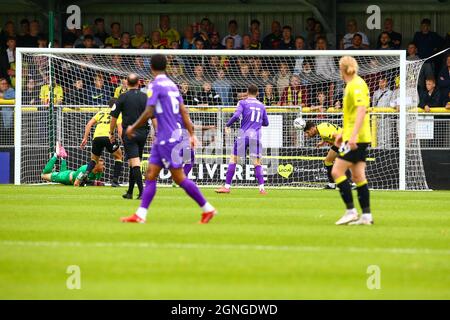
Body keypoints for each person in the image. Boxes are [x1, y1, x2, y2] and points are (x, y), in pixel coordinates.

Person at [120, 54, 217, 224]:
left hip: (167, 138)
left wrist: (132, 127)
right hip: (163, 140)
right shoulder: (173, 86)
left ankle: (207, 209)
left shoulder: (155, 85)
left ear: (151, 67)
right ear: (166, 67)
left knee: (179, 178)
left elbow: (149, 111)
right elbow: (183, 111)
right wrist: (192, 134)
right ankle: (140, 215)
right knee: (150, 174)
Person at [332, 56, 373, 225]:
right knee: (358, 176)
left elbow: (361, 110)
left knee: (336, 172)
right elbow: (350, 115)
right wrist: (343, 132)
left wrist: (353, 136)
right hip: (356, 136)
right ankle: (366, 216)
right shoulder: (353, 83)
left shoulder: (355, 84)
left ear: (342, 69)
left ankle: (350, 211)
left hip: (356, 138)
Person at [215, 84, 269, 194]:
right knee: (257, 163)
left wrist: (228, 125)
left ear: (247, 92)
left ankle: (227, 187)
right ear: (257, 93)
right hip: (256, 136)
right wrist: (257, 122)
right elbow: (266, 123)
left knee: (233, 159)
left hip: (243, 135)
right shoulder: (262, 106)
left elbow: (236, 116)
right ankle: (262, 189)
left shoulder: (242, 103)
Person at [110, 73, 148, 200]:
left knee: (135, 162)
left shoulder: (123, 96)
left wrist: (111, 133)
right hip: (143, 132)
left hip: (129, 133)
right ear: (139, 83)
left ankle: (142, 192)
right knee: (134, 162)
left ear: (127, 82)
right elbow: (153, 116)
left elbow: (114, 117)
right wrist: (157, 132)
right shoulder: (145, 97)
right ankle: (130, 192)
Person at [79, 98, 124, 187]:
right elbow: (119, 130)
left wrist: (85, 138)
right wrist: (123, 141)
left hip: (97, 138)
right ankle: (115, 181)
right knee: (119, 156)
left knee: (94, 159)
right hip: (108, 137)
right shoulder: (117, 113)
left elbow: (89, 124)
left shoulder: (101, 112)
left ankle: (85, 175)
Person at [303, 121, 355, 189]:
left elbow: (336, 136)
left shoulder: (322, 131)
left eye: (307, 132)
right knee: (328, 161)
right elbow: (329, 133)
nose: (307, 135)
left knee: (342, 162)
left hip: (344, 141)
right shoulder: (321, 127)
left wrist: (339, 146)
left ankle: (351, 183)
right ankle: (332, 184)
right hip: (340, 142)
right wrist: (322, 142)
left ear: (312, 128)